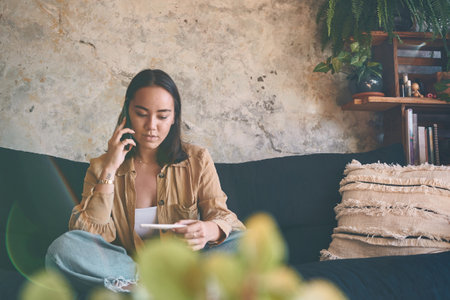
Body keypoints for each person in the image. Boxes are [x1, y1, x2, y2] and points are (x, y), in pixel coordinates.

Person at [45, 69, 245, 293]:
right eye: (141, 113)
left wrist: (208, 230)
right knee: (61, 250)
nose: (151, 126)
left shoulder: (197, 160)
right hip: (129, 268)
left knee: (245, 244)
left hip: (185, 265)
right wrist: (110, 169)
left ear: (174, 118)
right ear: (127, 112)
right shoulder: (102, 166)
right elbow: (90, 237)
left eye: (162, 116)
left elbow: (223, 216)